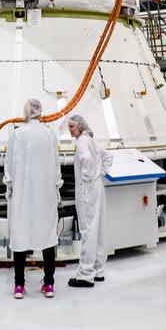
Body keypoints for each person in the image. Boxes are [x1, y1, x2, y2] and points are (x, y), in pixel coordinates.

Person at [4, 97, 61, 300]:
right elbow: (56, 164)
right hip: (45, 194)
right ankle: (49, 284)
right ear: (40, 111)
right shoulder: (49, 134)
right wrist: (57, 186)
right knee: (47, 236)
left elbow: (9, 163)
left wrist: (10, 187)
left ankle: (19, 285)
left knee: (20, 235)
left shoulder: (17, 134)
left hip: (22, 194)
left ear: (26, 112)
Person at [66, 114, 111, 288]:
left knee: (87, 230)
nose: (70, 131)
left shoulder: (82, 142)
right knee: (99, 228)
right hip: (97, 186)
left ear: (80, 126)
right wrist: (100, 173)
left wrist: (87, 177)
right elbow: (108, 157)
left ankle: (85, 274)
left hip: (87, 189)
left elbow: (85, 158)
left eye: (72, 127)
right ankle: (99, 270)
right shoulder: (92, 141)